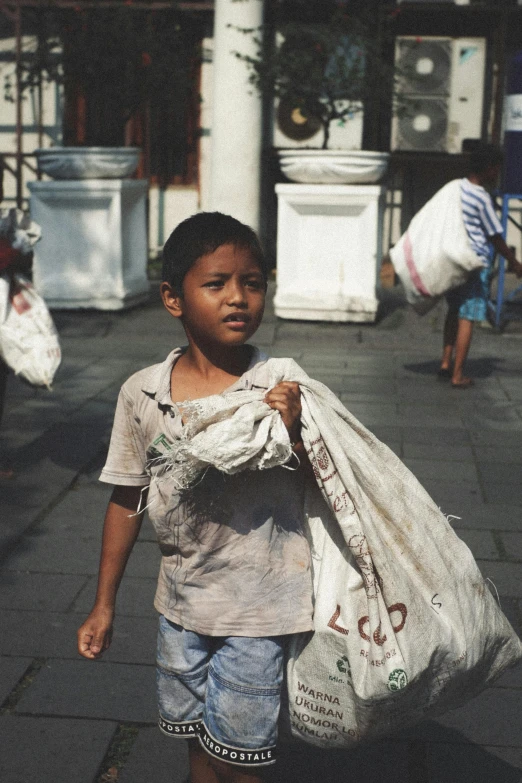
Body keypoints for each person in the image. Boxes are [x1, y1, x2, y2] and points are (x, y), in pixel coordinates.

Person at [77, 212, 314, 783]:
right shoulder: (143, 393)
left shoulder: (280, 381)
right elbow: (127, 497)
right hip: (180, 607)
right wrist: (103, 603)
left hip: (260, 609)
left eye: (252, 283)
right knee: (196, 745)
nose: (238, 298)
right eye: (217, 284)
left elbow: (331, 480)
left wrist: (299, 429)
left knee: (242, 760)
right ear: (173, 298)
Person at [439, 144, 522, 388]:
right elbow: (496, 236)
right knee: (469, 316)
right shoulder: (481, 197)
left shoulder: (456, 188)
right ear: (488, 168)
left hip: (455, 260)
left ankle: (445, 362)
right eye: (496, 167)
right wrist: (515, 262)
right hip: (475, 264)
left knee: (454, 310)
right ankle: (458, 375)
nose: (497, 172)